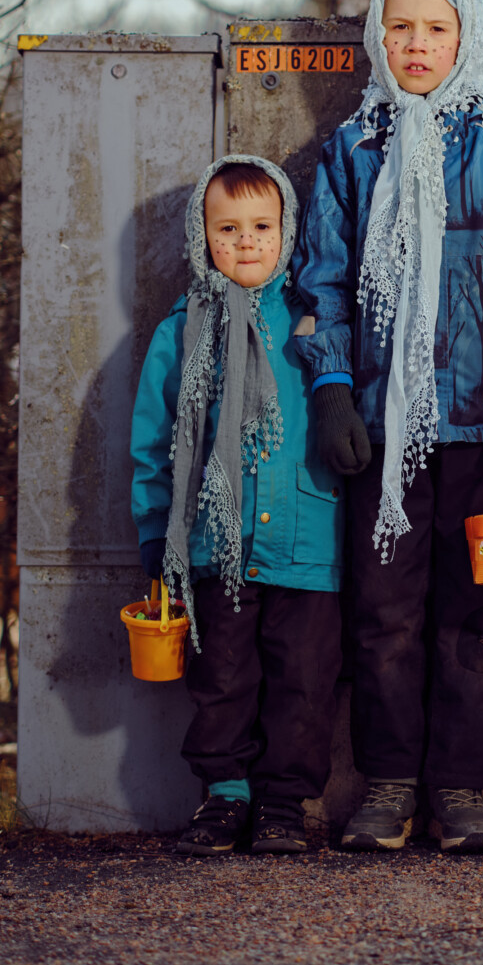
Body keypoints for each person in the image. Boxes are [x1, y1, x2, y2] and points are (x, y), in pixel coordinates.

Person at [292, 0, 483, 854]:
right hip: (383, 431)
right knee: (384, 614)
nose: (417, 45)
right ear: (378, 35)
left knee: (474, 617)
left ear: (467, 37)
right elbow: (322, 284)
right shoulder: (353, 150)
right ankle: (389, 784)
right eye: (399, 27)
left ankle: (459, 791)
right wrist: (333, 391)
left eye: (436, 29)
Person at [131, 154, 344, 856]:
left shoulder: (317, 325)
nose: (247, 241)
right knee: (221, 677)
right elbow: (152, 445)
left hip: (308, 542)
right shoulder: (181, 332)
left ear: (288, 232)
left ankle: (285, 802)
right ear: (202, 238)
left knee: (304, 685)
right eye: (228, 228)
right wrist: (155, 544)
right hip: (213, 548)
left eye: (262, 226)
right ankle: (225, 796)